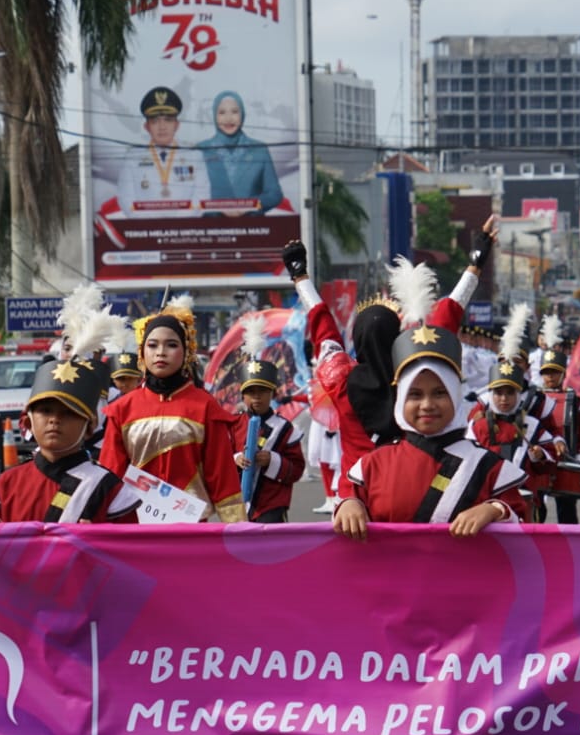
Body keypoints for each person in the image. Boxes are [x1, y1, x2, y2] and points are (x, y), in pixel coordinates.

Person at [332, 322, 526, 735]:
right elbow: (340, 504)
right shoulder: (372, 464)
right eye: (415, 394)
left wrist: (495, 508)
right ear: (398, 399)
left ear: (457, 394)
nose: (426, 405)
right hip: (393, 633)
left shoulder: (490, 466)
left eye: (437, 393)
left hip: (469, 630)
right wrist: (348, 504)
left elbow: (529, 518)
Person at [0, 352, 138, 735]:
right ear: (28, 419)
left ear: (88, 423)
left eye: (67, 414)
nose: (54, 423)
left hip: (87, 634)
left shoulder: (109, 488)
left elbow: (129, 567)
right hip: (21, 637)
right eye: (44, 411)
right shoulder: (6, 484)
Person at [282, 224, 495, 481]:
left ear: (357, 340)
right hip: (416, 488)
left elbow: (323, 326)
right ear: (397, 338)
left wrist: (300, 276)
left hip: (356, 497)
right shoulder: (415, 377)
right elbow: (447, 316)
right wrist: (475, 265)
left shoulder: (340, 381)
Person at [99, 298, 244, 522]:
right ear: (142, 352)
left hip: (190, 530)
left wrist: (237, 534)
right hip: (134, 527)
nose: (161, 352)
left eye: (172, 345)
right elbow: (111, 474)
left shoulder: (205, 406)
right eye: (153, 345)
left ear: (186, 353)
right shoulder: (121, 409)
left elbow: (222, 476)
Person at [466, 355, 559, 521]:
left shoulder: (532, 425)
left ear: (518, 395)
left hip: (523, 499)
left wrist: (540, 455)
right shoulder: (477, 427)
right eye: (498, 393)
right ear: (491, 395)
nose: (504, 399)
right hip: (484, 500)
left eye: (510, 393)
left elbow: (551, 462)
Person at [115, 87, 210, 217]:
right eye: (155, 121)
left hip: (184, 231)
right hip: (146, 232)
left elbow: (201, 196)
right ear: (146, 127)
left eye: (168, 120)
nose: (162, 127)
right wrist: (154, 224)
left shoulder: (194, 155)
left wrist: (176, 223)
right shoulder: (133, 158)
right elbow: (126, 199)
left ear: (177, 125)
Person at [233, 357, 304, 523]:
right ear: (243, 395)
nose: (257, 397)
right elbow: (219, 459)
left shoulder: (286, 429)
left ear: (273, 393)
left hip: (271, 504)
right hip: (237, 504)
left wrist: (272, 460)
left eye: (263, 391)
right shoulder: (233, 425)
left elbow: (297, 469)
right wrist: (236, 459)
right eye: (251, 392)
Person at [197, 91, 282, 215]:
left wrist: (248, 206)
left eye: (235, 112)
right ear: (214, 116)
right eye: (222, 113)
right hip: (212, 228)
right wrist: (219, 209)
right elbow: (193, 196)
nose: (228, 118)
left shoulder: (259, 149)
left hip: (254, 229)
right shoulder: (201, 150)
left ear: (243, 114)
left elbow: (274, 194)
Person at [539, 344, 580, 524]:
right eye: (546, 372)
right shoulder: (534, 400)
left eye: (554, 372)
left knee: (567, 511)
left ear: (563, 373)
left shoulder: (576, 402)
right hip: (540, 463)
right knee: (538, 510)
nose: (549, 377)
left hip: (567, 462)